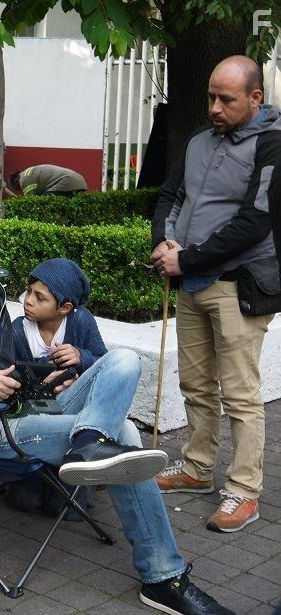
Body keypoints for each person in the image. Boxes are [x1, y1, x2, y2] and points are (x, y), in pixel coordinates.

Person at [0, 218, 235, 615]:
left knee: (123, 360)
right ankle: (164, 577)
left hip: (26, 404)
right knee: (127, 434)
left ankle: (88, 443)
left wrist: (50, 375)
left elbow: (8, 359)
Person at [151, 55, 280, 533]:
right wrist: (163, 242)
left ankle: (244, 492)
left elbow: (256, 221)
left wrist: (186, 259)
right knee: (196, 384)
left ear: (255, 98)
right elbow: (170, 197)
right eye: (211, 96)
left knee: (242, 395)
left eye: (226, 99)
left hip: (238, 286)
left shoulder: (272, 144)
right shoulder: (198, 141)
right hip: (191, 283)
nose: (215, 107)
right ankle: (197, 468)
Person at [12, 258, 107, 372]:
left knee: (126, 359)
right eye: (28, 291)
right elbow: (9, 374)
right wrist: (46, 370)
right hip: (36, 390)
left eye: (39, 297)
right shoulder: (18, 330)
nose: (28, 301)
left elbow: (105, 363)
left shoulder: (80, 320)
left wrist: (80, 357)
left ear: (65, 308)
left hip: (76, 388)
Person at [8, 164, 87, 196]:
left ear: (16, 181)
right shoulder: (30, 171)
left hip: (66, 181)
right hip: (81, 182)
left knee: (45, 200)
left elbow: (31, 200)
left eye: (17, 187)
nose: (21, 189)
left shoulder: (24, 179)